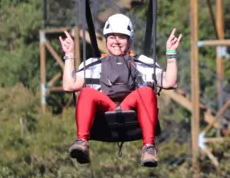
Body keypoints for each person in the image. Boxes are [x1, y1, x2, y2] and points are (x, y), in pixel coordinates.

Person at [59, 14, 182, 166]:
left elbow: (170, 82)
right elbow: (69, 86)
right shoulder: (93, 65)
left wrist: (171, 54)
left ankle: (149, 148)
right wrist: (69, 55)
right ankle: (82, 142)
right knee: (86, 92)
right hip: (104, 111)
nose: (116, 41)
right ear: (105, 40)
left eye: (121, 37)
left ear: (129, 41)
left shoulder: (142, 63)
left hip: (131, 110)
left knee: (146, 91)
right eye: (112, 37)